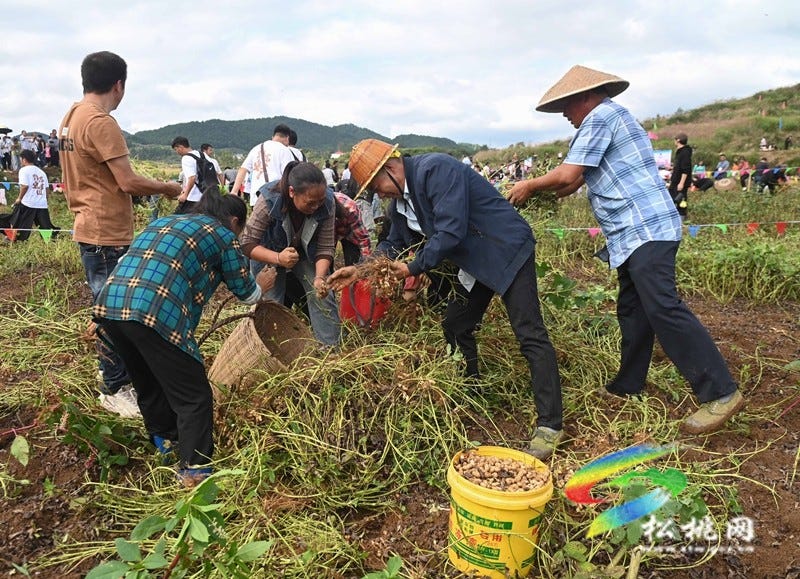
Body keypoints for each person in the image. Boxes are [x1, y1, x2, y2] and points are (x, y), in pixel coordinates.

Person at [506, 64, 743, 435]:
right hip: (631, 235)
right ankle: (628, 383)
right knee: (633, 310)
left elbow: (566, 177)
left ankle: (721, 393)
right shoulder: (609, 120)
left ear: (585, 97)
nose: (566, 116)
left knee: (663, 307)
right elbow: (571, 184)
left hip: (645, 227)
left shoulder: (601, 117)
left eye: (567, 107)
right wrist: (541, 190)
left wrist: (529, 186)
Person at [329, 139, 564, 459]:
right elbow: (392, 244)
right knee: (455, 324)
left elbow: (450, 231)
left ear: (391, 168)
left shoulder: (435, 170)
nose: (379, 194)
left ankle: (550, 425)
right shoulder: (398, 205)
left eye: (377, 185)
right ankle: (472, 389)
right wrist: (358, 271)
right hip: (475, 262)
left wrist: (413, 267)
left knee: (529, 332)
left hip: (506, 248)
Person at [93, 190, 276, 486]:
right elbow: (246, 293)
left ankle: (164, 445)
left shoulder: (163, 222)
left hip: (111, 305)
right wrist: (263, 284)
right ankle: (195, 473)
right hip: (153, 311)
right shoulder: (222, 234)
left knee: (149, 382)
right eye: (240, 229)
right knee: (194, 397)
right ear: (234, 220)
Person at [58, 51, 182, 418]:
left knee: (106, 307)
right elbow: (127, 181)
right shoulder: (101, 122)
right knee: (115, 312)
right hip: (106, 232)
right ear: (119, 85)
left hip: (88, 225)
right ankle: (114, 387)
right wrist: (166, 188)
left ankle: (115, 375)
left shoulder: (71, 117)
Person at [240, 161, 341, 346]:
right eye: (311, 203)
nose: (317, 207)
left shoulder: (327, 201)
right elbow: (247, 243)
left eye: (320, 202)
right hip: (267, 251)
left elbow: (325, 246)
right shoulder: (269, 199)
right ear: (292, 192)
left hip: (304, 253)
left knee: (322, 295)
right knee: (271, 303)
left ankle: (330, 352)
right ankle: (272, 351)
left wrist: (319, 277)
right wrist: (278, 258)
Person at [228, 124, 295, 208]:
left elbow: (243, 169)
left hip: (256, 199)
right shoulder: (285, 151)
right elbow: (290, 174)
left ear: (273, 136)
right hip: (275, 199)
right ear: (287, 138)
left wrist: (234, 191)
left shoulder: (256, 148)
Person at [11, 150, 60, 241]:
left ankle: (17, 240)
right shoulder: (41, 172)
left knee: (20, 223)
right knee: (45, 226)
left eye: (21, 159)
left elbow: (24, 186)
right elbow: (46, 189)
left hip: (28, 202)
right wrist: (45, 200)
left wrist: (19, 198)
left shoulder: (23, 170)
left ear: (24, 159)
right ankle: (49, 240)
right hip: (41, 203)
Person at [171, 136, 205, 214]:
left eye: (176, 149)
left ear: (180, 147)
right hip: (205, 195)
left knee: (179, 220)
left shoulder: (186, 158)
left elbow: (192, 178)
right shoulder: (201, 154)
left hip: (193, 198)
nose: (177, 152)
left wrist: (185, 195)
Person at [669, 133, 692, 219]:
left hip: (680, 182)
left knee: (681, 199)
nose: (674, 141)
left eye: (675, 139)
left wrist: (681, 183)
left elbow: (686, 169)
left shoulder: (685, 152)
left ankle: (682, 217)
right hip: (675, 180)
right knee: (672, 198)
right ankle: (675, 216)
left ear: (678, 140)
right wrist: (672, 168)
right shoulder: (680, 152)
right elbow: (680, 166)